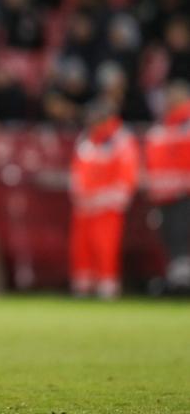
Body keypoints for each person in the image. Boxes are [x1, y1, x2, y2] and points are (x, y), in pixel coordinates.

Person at [69, 100, 139, 299]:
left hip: (108, 205)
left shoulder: (120, 139)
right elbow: (77, 170)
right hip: (84, 206)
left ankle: (107, 287)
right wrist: (79, 195)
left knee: (105, 246)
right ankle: (83, 287)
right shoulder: (86, 139)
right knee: (82, 247)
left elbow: (127, 173)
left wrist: (113, 198)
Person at [144, 81, 190, 290]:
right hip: (164, 195)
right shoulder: (163, 126)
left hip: (184, 193)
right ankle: (178, 282)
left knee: (181, 239)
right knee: (171, 240)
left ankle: (182, 283)